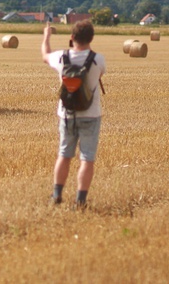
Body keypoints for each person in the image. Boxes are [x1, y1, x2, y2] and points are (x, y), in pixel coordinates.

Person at [41, 20, 107, 208]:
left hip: (67, 115)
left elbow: (45, 56)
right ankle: (80, 200)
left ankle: (56, 195)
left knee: (64, 155)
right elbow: (99, 75)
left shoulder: (62, 57)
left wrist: (46, 36)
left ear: (72, 38)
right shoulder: (98, 59)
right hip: (91, 115)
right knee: (87, 159)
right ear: (91, 38)